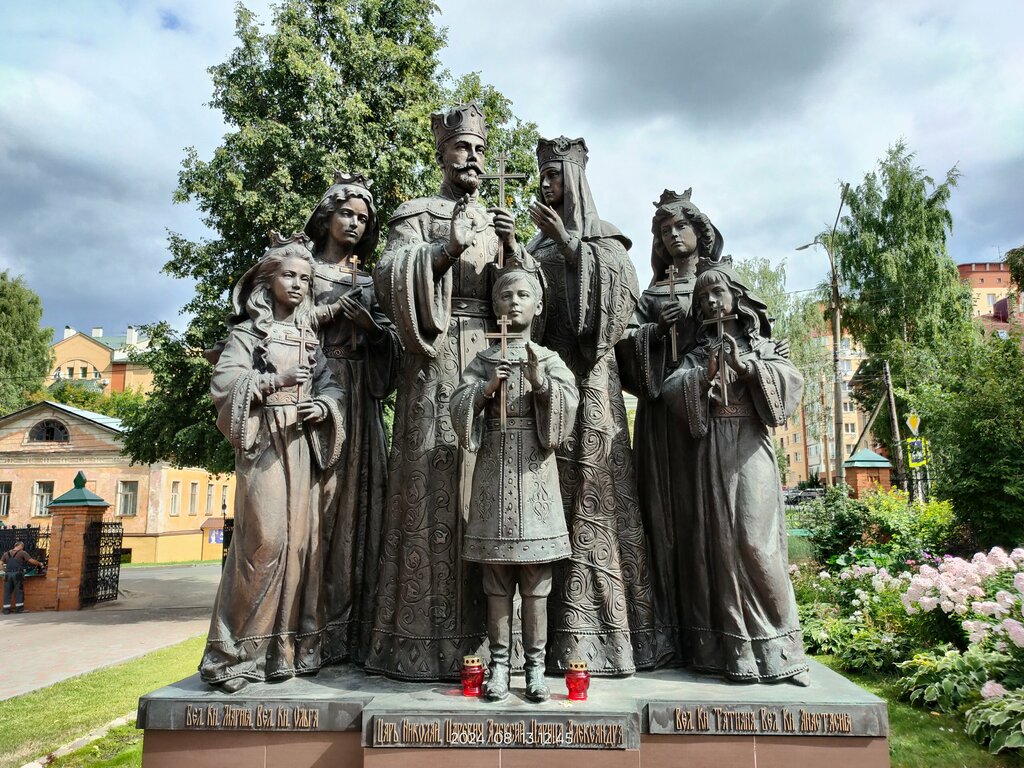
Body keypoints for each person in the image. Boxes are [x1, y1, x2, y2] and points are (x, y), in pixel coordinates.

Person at [369, 103, 521, 681]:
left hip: (490, 360)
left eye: (480, 149)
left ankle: (498, 647)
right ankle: (424, 642)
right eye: (462, 147)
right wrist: (445, 249)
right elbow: (388, 277)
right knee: (432, 486)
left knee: (490, 485)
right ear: (442, 152)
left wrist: (514, 252)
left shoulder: (496, 220)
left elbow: (523, 296)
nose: (474, 158)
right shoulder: (417, 214)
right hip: (433, 363)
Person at [525, 136, 663, 674]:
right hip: (545, 384)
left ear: (576, 179)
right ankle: (537, 638)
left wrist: (571, 247)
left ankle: (607, 637)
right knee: (545, 498)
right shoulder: (535, 244)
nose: (545, 184)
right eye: (542, 175)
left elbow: (617, 313)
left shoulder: (607, 242)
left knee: (595, 497)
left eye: (555, 175)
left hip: (593, 387)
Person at [200, 233, 346, 693]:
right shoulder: (247, 334)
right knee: (263, 543)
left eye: (305, 278)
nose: (298, 284)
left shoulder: (308, 337)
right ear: (268, 280)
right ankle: (235, 654)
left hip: (301, 445)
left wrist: (323, 406)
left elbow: (330, 384)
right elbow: (226, 384)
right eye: (289, 275)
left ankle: (286, 650)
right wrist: (272, 381)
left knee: (301, 545)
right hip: (264, 443)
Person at [662, 260, 810, 685]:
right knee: (718, 546)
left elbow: (790, 384)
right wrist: (704, 374)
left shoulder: (763, 347)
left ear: (737, 298)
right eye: (703, 296)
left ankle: (783, 651)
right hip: (710, 450)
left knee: (755, 542)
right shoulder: (696, 353)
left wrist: (749, 368)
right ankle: (732, 654)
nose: (711, 301)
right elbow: (672, 390)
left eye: (718, 292)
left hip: (749, 446)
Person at [450, 266, 579, 701]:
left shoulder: (549, 358)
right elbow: (459, 406)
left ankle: (536, 668)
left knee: (537, 579)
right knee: (497, 579)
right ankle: (501, 667)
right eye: (506, 296)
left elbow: (567, 408)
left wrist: (541, 384)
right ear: (495, 305)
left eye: (524, 295)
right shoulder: (484, 358)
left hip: (534, 475)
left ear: (538, 306)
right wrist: (487, 388)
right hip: (493, 470)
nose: (514, 302)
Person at [616, 189, 724, 665]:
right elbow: (623, 348)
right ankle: (667, 633)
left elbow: (742, 329)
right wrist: (657, 330)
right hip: (661, 418)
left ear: (700, 231)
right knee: (663, 517)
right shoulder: (652, 294)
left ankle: (715, 632)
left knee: (707, 516)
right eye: (665, 230)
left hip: (708, 415)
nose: (674, 235)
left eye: (681, 226)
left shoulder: (718, 282)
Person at [304, 172, 401, 666]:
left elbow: (393, 347)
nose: (355, 224)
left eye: (363, 218)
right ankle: (308, 627)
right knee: (318, 507)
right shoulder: (302, 269)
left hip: (361, 397)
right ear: (327, 217)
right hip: (315, 393)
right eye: (346, 214)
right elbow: (274, 327)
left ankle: (356, 630)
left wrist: (373, 330)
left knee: (364, 505)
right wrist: (328, 316)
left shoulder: (371, 281)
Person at [2, 541, 44, 614]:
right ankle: (19, 609)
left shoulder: (6, 553)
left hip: (7, 575)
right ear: (21, 546)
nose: (23, 548)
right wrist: (39, 563)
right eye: (23, 547)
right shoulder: (22, 552)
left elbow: (0, 564)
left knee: (7, 592)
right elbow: (31, 561)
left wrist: (4, 570)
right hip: (17, 574)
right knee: (19, 591)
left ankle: (6, 610)